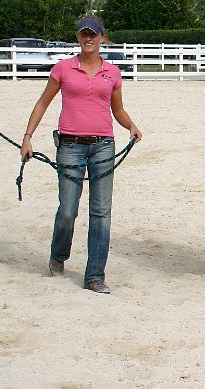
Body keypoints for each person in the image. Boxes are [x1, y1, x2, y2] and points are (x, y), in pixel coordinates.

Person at [20, 16, 142, 294]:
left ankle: (95, 275)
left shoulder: (112, 73)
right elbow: (42, 103)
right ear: (78, 37)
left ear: (103, 37)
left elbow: (118, 110)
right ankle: (59, 255)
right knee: (67, 210)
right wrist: (27, 137)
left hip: (103, 145)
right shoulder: (63, 69)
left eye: (93, 34)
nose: (88, 38)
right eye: (84, 34)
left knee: (101, 212)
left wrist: (131, 125)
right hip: (70, 146)